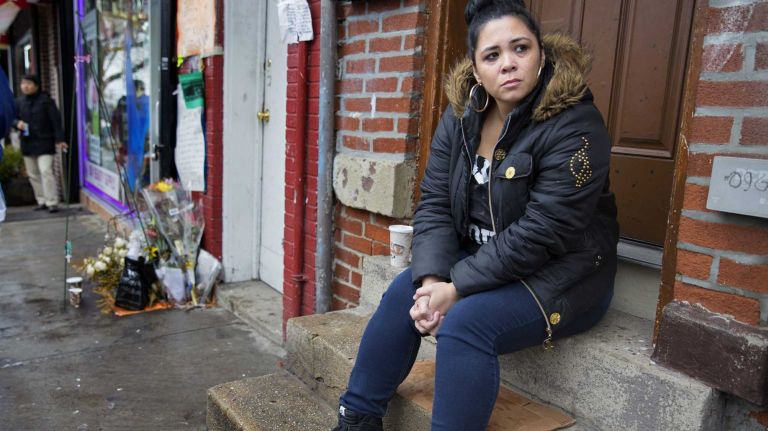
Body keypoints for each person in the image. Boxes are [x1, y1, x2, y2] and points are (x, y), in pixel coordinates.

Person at [332, 1, 619, 430]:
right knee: (403, 292)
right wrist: (432, 282)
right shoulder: (461, 116)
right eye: (493, 55)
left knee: (464, 325)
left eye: (520, 48)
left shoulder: (576, 125)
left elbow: (542, 234)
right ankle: (357, 418)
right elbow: (434, 203)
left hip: (564, 274)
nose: (509, 64)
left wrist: (458, 289)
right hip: (484, 261)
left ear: (540, 53)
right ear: (476, 67)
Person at [13, 74, 67, 213]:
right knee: (33, 174)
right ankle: (41, 200)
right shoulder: (19, 102)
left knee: (45, 171)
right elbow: (12, 118)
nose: (25, 86)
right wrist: (16, 123)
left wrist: (60, 140)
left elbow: (56, 121)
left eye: (29, 83)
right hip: (27, 143)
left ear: (36, 86)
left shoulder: (46, 101)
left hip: (45, 142)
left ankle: (52, 201)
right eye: (23, 83)